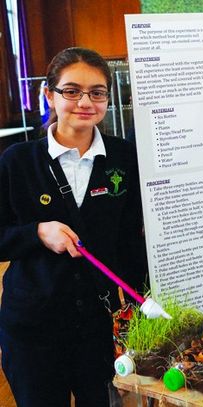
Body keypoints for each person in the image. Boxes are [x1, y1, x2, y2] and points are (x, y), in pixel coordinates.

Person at [0, 47, 147, 407]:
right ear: (49, 95)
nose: (85, 101)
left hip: (99, 327)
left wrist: (146, 300)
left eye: (97, 92)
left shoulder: (125, 157)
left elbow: (130, 240)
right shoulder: (17, 162)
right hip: (33, 327)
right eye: (71, 90)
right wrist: (36, 233)